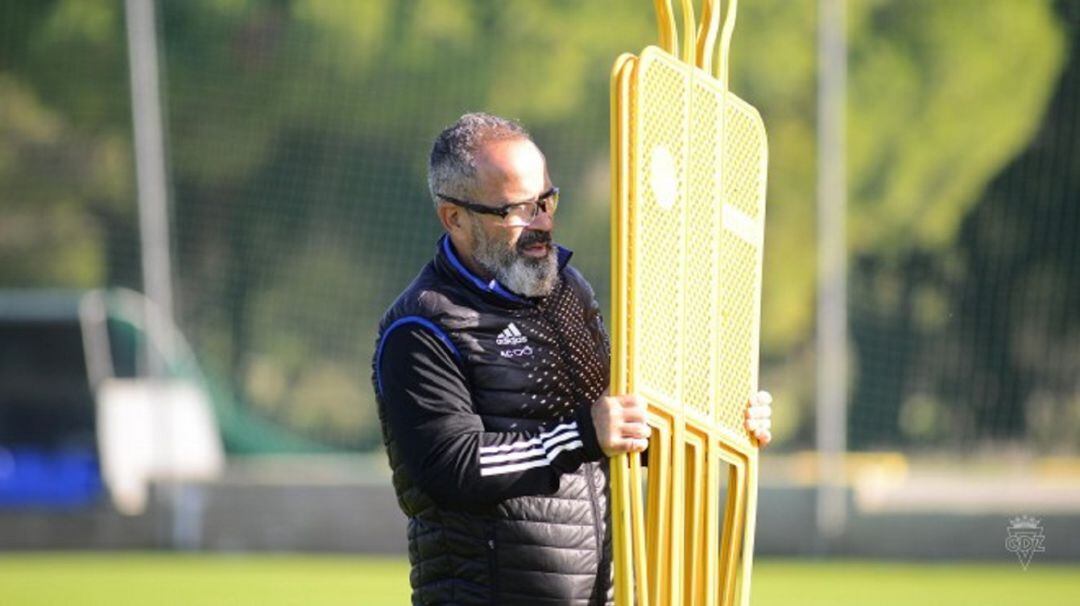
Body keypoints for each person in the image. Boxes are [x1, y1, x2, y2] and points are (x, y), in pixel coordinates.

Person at [372, 112, 773, 605]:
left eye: (546, 200)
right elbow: (450, 466)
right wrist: (582, 434)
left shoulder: (569, 291)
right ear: (455, 218)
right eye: (517, 209)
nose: (542, 222)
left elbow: (621, 430)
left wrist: (720, 425)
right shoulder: (422, 326)